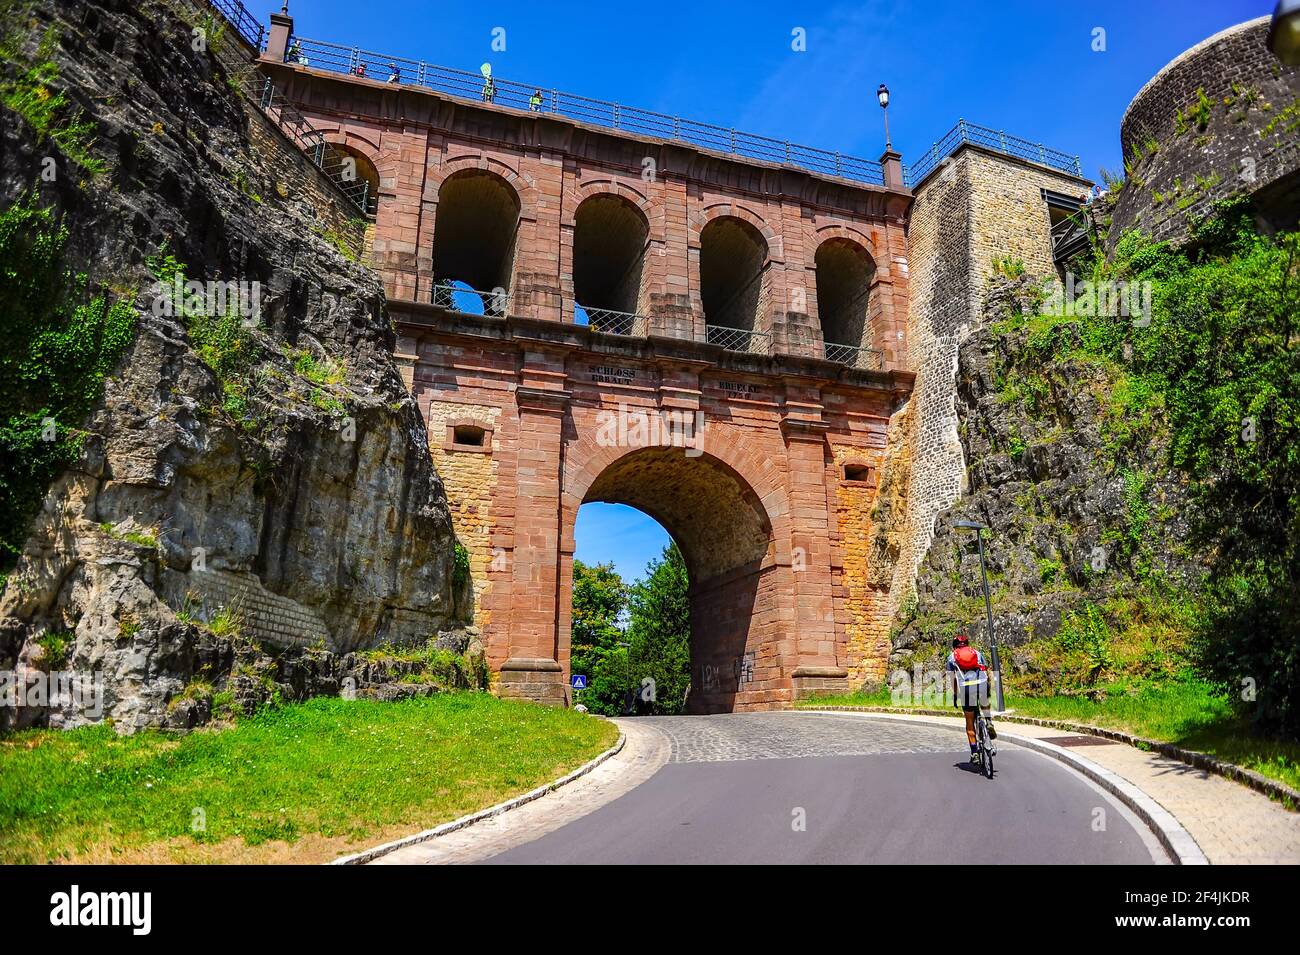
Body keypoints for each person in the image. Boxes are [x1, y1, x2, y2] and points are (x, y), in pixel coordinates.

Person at [946, 632, 996, 762]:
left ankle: (974, 753)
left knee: (969, 722)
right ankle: (989, 721)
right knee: (984, 701)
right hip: (982, 684)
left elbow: (953, 679)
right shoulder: (977, 653)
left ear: (954, 646)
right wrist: (988, 685)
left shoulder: (952, 658)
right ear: (968, 644)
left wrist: (956, 694)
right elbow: (985, 669)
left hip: (967, 689)